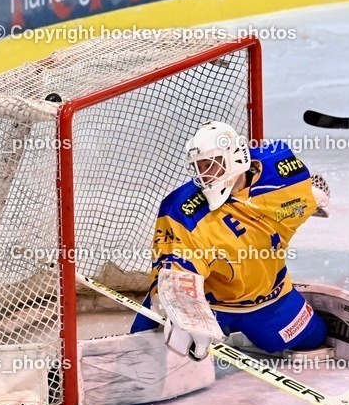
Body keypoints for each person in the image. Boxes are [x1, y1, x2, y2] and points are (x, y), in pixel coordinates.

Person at [131, 121, 332, 359]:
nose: (203, 176)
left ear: (235, 158)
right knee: (143, 347)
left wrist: (313, 196)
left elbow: (301, 197)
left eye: (210, 165)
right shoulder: (181, 210)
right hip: (210, 303)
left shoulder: (283, 172)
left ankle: (243, 332)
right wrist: (184, 309)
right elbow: (175, 265)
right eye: (198, 167)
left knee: (315, 337)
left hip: (267, 299)